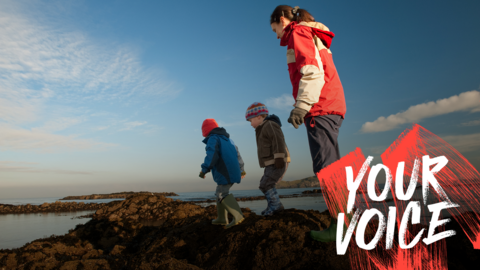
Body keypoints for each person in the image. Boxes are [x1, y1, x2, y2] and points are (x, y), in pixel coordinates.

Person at [270, 5, 347, 242]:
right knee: (332, 164)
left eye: (274, 29)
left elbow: (312, 72)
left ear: (282, 20)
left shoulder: (299, 33)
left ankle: (339, 228)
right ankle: (347, 219)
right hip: (331, 104)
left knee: (325, 167)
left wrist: (301, 106)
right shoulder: (311, 34)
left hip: (320, 106)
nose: (275, 35)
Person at [245, 102, 290, 216]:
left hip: (276, 162)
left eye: (251, 120)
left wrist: (279, 157)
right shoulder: (261, 128)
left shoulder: (269, 124)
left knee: (266, 184)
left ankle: (276, 206)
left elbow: (277, 140)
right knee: (264, 183)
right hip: (270, 163)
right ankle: (272, 205)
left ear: (258, 116)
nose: (250, 124)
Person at [200, 118, 246, 228]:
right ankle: (221, 218)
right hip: (233, 171)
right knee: (219, 192)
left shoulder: (213, 139)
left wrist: (204, 169)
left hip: (225, 171)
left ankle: (238, 216)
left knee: (222, 193)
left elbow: (211, 156)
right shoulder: (229, 140)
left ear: (206, 131)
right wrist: (242, 170)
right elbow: (238, 155)